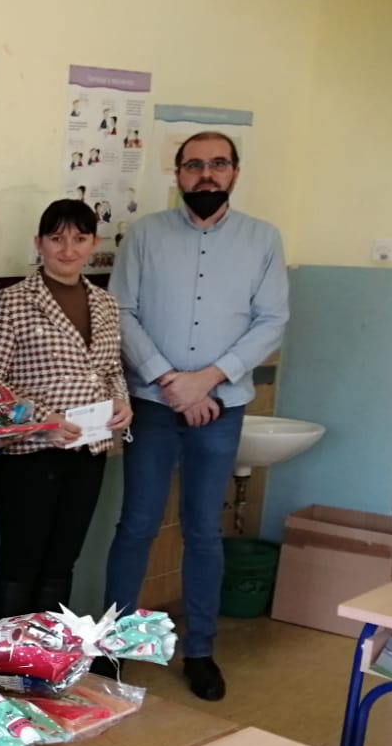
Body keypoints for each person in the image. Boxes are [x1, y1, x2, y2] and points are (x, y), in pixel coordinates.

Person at [104, 132, 289, 701]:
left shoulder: (263, 239)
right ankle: (114, 646)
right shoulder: (145, 235)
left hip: (221, 406)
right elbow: (121, 310)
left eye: (217, 164)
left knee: (203, 530)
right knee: (136, 525)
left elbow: (272, 321)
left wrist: (207, 380)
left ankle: (201, 652)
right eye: (193, 165)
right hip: (153, 403)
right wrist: (169, 380)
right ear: (178, 174)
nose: (205, 174)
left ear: (234, 172)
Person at [0, 200, 132, 620]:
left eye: (79, 239)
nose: (68, 249)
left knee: (62, 563)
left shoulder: (105, 303)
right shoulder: (14, 301)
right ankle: (5, 653)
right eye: (57, 238)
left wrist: (122, 401)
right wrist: (42, 421)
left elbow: (111, 369)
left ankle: (47, 654)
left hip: (88, 451)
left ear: (94, 243)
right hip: (29, 455)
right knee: (21, 562)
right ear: (39, 243)